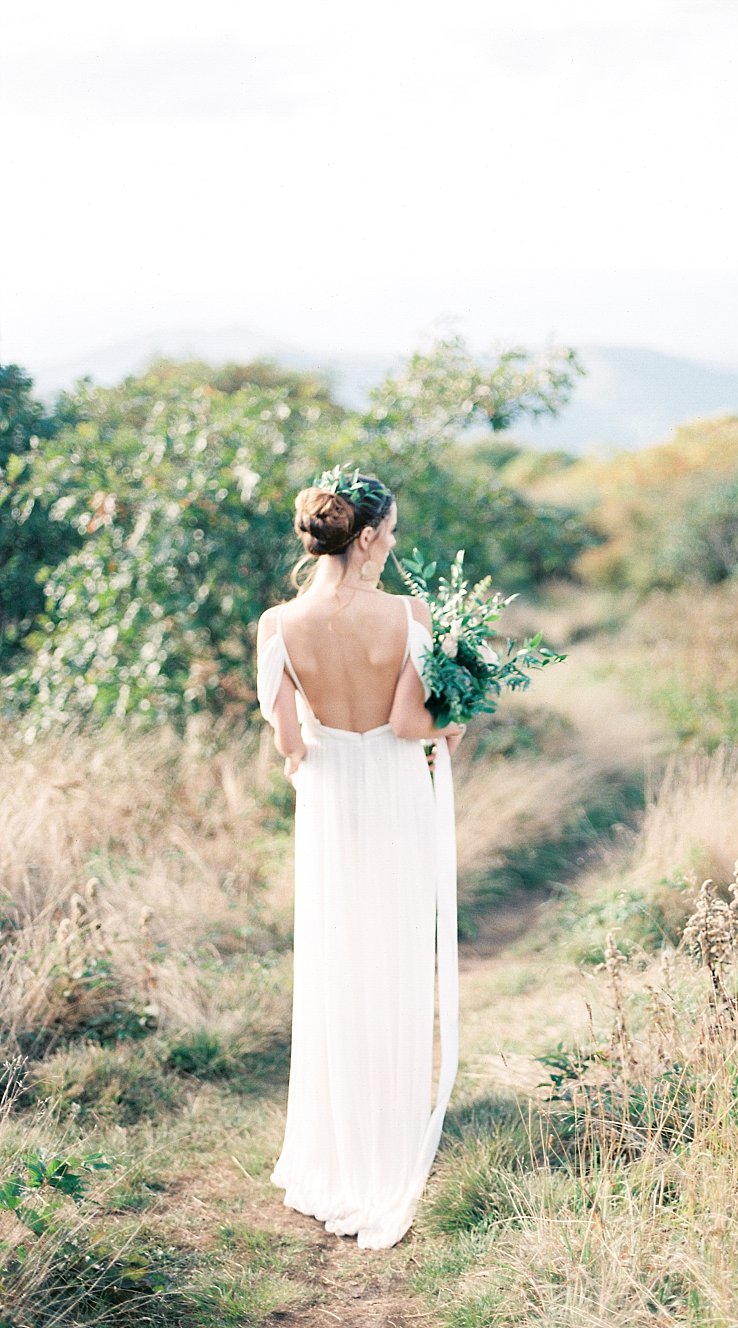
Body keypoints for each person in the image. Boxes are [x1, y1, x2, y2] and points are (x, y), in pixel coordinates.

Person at [255, 469, 465, 1250]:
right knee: (395, 952)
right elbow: (411, 720)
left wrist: (300, 753)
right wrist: (451, 730)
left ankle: (338, 1137)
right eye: (396, 530)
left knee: (338, 955)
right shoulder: (410, 615)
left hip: (331, 795)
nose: (398, 542)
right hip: (393, 787)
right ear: (369, 536)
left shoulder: (279, 624)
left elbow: (287, 740)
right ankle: (391, 1123)